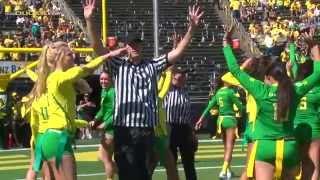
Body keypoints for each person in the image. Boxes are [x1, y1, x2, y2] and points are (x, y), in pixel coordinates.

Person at [84, 0, 203, 179]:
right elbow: (97, 48)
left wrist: (192, 29)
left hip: (146, 128)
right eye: (131, 44)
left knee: (144, 172)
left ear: (142, 45)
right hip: (124, 128)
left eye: (138, 44)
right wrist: (89, 20)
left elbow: (178, 52)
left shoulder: (152, 65)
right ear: (126, 46)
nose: (135, 47)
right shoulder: (118, 64)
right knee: (126, 171)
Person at [223, 26, 320, 179]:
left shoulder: (261, 90)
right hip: (289, 146)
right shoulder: (294, 90)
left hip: (265, 146)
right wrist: (314, 46)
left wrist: (226, 45)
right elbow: (318, 73)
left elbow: (235, 70)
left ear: (268, 77)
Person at [30, 41, 122, 180]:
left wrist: (85, 124)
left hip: (49, 138)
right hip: (58, 138)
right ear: (59, 57)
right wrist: (108, 55)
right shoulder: (58, 77)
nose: (73, 56)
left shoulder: (54, 79)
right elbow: (85, 69)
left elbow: (63, 116)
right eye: (69, 54)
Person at [196, 76, 243, 179]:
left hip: (220, 121)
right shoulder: (230, 92)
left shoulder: (218, 93)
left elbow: (209, 107)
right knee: (230, 147)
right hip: (230, 119)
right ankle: (223, 170)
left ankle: (228, 170)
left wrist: (200, 119)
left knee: (225, 147)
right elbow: (239, 106)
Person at [164, 67, 197, 180]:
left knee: (189, 161)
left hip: (185, 129)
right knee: (171, 162)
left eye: (184, 75)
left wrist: (192, 132)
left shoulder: (185, 92)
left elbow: (188, 115)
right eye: (180, 75)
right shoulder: (167, 90)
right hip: (170, 128)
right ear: (173, 76)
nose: (183, 77)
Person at [89, 71, 116, 180]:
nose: (103, 81)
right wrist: (95, 119)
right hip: (108, 129)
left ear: (111, 80)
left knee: (106, 158)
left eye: (106, 79)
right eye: (101, 79)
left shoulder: (113, 92)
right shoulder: (104, 91)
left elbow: (116, 112)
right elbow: (103, 109)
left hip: (112, 129)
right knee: (103, 156)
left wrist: (105, 124)